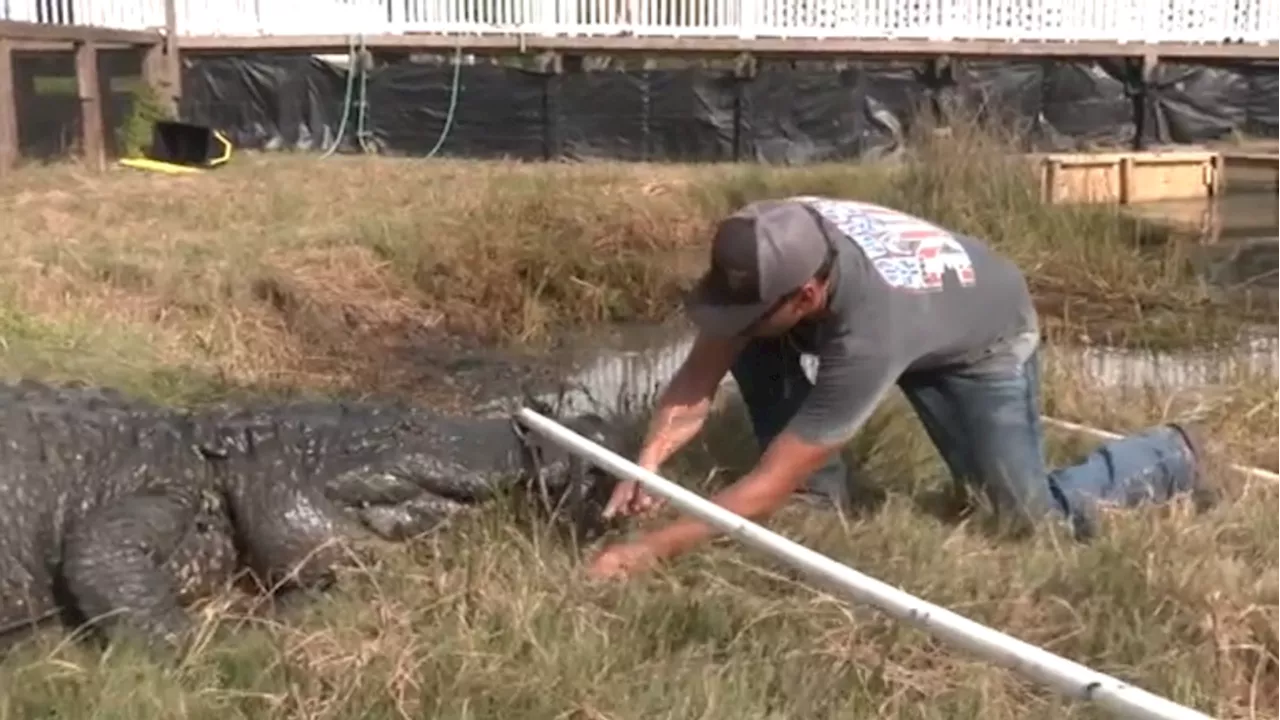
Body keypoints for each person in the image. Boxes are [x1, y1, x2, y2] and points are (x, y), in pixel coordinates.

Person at [586, 196, 1214, 581]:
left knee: (1023, 520)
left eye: (746, 314)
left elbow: (765, 483)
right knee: (752, 347)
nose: (730, 327)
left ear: (806, 296)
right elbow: (701, 374)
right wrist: (647, 464)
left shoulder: (869, 335)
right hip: (909, 305)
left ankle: (1170, 454)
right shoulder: (775, 237)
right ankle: (822, 498)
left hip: (980, 336)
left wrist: (650, 551)